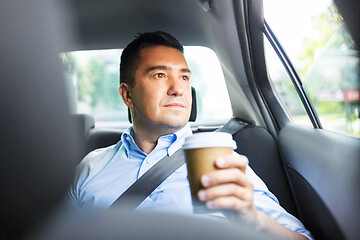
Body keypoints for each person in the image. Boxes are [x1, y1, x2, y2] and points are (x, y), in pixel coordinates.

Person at [68, 31, 312, 240]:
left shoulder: (220, 165)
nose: (178, 89)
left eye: (184, 77)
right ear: (127, 95)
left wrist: (252, 217)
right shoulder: (90, 168)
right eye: (160, 75)